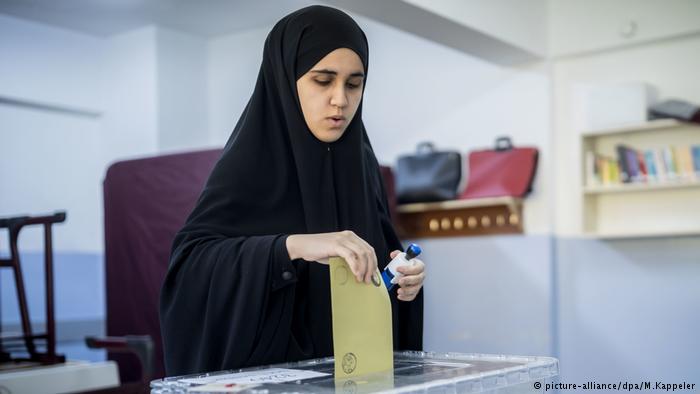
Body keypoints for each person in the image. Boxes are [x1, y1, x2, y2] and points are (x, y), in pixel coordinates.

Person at [159, 5, 425, 376]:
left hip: (357, 376)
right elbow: (191, 270)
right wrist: (293, 246)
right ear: (286, 77)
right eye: (322, 80)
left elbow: (377, 270)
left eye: (353, 83)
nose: (340, 100)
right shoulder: (251, 162)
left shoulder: (361, 165)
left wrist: (403, 280)